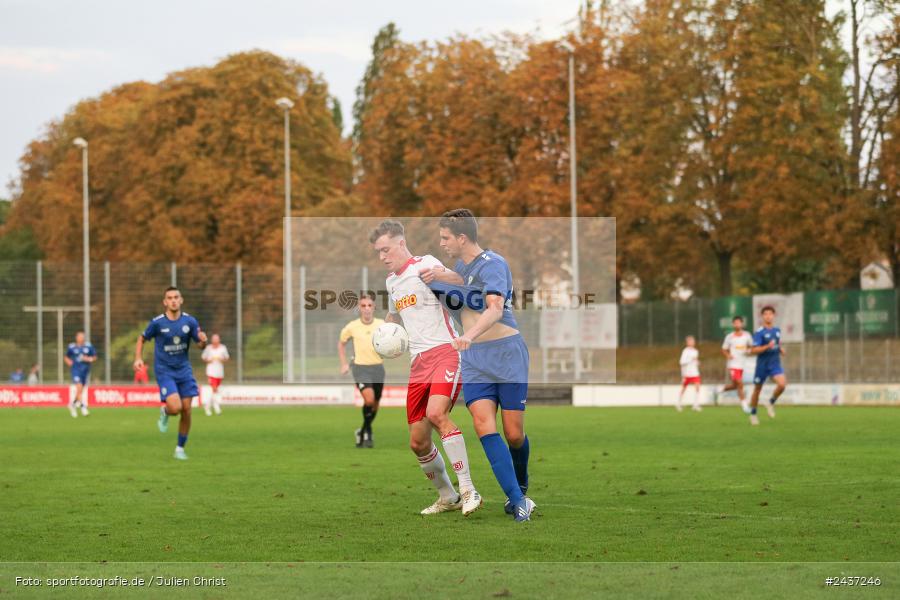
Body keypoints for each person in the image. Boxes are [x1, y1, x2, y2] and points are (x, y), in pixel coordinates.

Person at [420, 208, 536, 522]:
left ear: (461, 237)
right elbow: (460, 277)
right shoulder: (463, 267)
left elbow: (495, 308)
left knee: (514, 435)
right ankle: (518, 502)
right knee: (483, 424)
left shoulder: (494, 263)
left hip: (507, 354)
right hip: (474, 362)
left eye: (445, 237)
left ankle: (521, 486)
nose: (442, 243)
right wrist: (438, 276)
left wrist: (468, 334)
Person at [370, 219, 482, 516]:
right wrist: (386, 336)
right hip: (418, 363)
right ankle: (448, 496)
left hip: (445, 352)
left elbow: (461, 280)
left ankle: (469, 489)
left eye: (385, 250)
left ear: (401, 243)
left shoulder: (425, 265)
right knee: (418, 442)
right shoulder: (391, 282)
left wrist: (446, 276)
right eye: (378, 252)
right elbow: (394, 317)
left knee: (436, 414)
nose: (382, 257)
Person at [134, 286, 207, 460]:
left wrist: (203, 341)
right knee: (175, 408)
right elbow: (142, 338)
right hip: (165, 370)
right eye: (170, 298)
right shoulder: (158, 322)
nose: (173, 300)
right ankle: (165, 412)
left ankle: (180, 448)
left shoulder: (190, 321)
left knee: (187, 410)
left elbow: (200, 344)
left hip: (184, 370)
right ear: (165, 302)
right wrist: (138, 358)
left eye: (176, 297)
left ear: (181, 300)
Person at [338, 294, 385, 448]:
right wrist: (344, 364)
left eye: (369, 306)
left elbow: (391, 341)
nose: (366, 309)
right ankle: (368, 431)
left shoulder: (382, 324)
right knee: (369, 400)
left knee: (376, 404)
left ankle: (363, 430)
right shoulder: (352, 326)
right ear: (359, 308)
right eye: (363, 306)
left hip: (378, 368)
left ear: (374, 308)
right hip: (360, 368)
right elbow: (341, 343)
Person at [748, 305, 787, 426]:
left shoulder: (777, 331)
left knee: (782, 385)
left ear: (774, 316)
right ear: (762, 316)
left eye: (770, 313)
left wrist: (780, 349)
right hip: (762, 365)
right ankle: (753, 414)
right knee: (757, 390)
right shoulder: (759, 333)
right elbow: (753, 350)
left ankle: (770, 402)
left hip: (775, 363)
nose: (768, 316)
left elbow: (776, 343)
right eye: (765, 314)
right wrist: (766, 346)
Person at [720, 316, 752, 414]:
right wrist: (728, 355)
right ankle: (745, 405)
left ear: (742, 324)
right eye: (735, 323)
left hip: (742, 364)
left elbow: (751, 346)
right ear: (733, 324)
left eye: (739, 322)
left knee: (736, 385)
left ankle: (721, 389)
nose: (737, 324)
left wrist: (749, 351)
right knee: (739, 383)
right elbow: (723, 349)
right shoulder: (729, 336)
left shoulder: (747, 335)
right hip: (733, 364)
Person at [64, 331, 96, 418]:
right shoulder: (72, 347)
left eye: (83, 337)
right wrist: (69, 362)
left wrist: (88, 359)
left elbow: (94, 357)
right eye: (80, 337)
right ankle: (83, 407)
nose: (82, 338)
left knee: (80, 391)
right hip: (75, 370)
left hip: (85, 371)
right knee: (79, 387)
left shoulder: (89, 346)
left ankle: (72, 405)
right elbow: (66, 356)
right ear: (77, 338)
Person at [200, 333, 229, 416]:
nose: (215, 341)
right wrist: (209, 360)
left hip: (219, 372)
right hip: (211, 372)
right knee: (214, 389)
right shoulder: (208, 348)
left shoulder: (223, 348)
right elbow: (203, 357)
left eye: (217, 339)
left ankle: (208, 406)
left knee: (215, 391)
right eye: (214, 339)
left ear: (219, 340)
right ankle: (215, 407)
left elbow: (227, 358)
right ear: (212, 340)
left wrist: (221, 359)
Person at [677, 335, 702, 412]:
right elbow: (681, 362)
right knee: (683, 388)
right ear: (687, 342)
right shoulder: (685, 351)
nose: (692, 342)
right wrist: (691, 359)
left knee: (697, 387)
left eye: (693, 341)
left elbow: (695, 361)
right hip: (687, 373)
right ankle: (679, 403)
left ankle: (695, 404)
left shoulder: (696, 351)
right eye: (690, 341)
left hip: (695, 373)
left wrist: (697, 362)